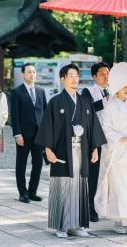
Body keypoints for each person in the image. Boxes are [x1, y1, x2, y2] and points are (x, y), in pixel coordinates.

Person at [34, 63, 107, 239]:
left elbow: (93, 127)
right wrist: (47, 149)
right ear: (63, 79)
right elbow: (48, 127)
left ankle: (78, 225)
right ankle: (62, 226)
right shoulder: (56, 102)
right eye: (71, 76)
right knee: (64, 187)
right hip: (62, 152)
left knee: (80, 188)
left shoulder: (85, 102)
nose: (75, 79)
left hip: (81, 150)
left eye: (76, 76)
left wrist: (95, 149)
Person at [94, 62, 127, 235]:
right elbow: (106, 128)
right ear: (116, 87)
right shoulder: (109, 106)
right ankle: (120, 220)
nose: (126, 89)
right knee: (120, 188)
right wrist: (121, 138)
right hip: (118, 153)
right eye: (123, 86)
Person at [11, 62, 47, 203]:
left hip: (39, 134)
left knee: (38, 163)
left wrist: (46, 133)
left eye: (34, 72)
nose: (32, 74)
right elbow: (14, 115)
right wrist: (17, 134)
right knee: (21, 163)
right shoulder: (17, 92)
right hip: (24, 135)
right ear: (23, 74)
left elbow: (44, 112)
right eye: (29, 72)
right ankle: (23, 193)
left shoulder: (40, 91)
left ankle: (32, 191)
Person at [81, 61, 110, 222]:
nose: (106, 76)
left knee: (108, 174)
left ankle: (106, 206)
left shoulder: (115, 91)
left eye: (108, 73)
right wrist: (105, 101)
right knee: (94, 175)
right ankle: (91, 208)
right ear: (94, 76)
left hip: (112, 139)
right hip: (96, 139)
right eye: (102, 74)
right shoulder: (88, 91)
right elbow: (88, 109)